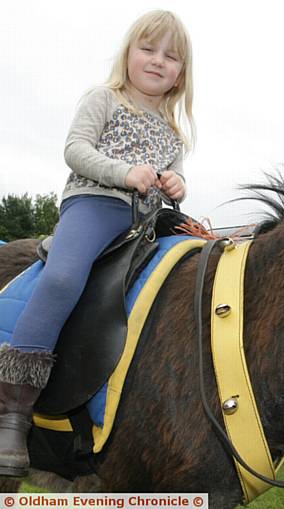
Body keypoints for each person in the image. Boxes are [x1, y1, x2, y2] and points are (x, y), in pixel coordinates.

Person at [0, 10, 195, 476]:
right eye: (148, 49)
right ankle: (12, 412)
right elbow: (76, 150)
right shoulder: (105, 99)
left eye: (170, 57)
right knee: (65, 278)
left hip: (146, 221)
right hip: (94, 206)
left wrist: (177, 185)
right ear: (129, 53)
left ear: (180, 74)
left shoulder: (173, 130)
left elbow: (179, 175)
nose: (157, 61)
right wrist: (123, 173)